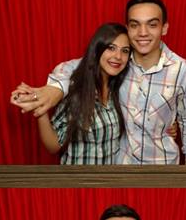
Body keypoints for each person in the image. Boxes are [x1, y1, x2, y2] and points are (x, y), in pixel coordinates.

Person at [10, 0, 186, 164]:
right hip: (122, 163)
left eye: (152, 24)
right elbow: (78, 67)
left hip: (162, 163)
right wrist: (55, 89)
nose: (143, 32)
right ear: (128, 29)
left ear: (164, 28)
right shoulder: (120, 64)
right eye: (135, 25)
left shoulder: (182, 70)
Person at [22, 23, 130, 164]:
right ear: (98, 48)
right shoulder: (76, 89)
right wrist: (40, 109)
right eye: (111, 48)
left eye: (125, 51)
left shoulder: (120, 90)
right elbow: (53, 146)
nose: (118, 56)